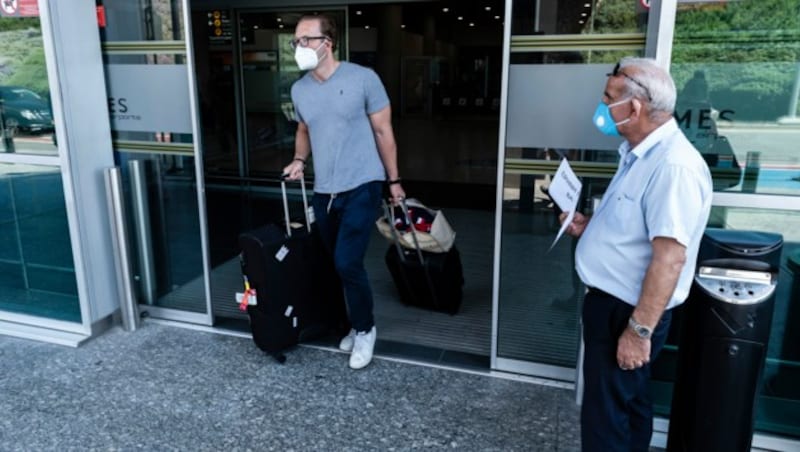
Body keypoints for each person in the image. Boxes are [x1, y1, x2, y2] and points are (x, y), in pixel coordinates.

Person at [560, 57, 713, 451]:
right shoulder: (636, 152)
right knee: (627, 403)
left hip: (628, 313)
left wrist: (638, 332)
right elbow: (636, 231)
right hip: (612, 306)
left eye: (608, 98)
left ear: (635, 108)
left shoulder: (673, 167)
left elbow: (669, 260)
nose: (602, 107)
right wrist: (588, 228)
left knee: (605, 416)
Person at [282, 14, 405, 370]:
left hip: (363, 184)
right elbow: (304, 129)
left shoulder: (363, 79)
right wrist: (299, 160)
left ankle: (365, 330)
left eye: (305, 39)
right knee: (334, 264)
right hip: (325, 190)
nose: (299, 47)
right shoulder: (300, 89)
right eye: (296, 41)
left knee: (347, 261)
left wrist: (393, 181)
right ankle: (352, 322)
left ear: (327, 43)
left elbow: (384, 133)